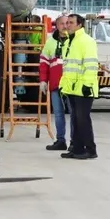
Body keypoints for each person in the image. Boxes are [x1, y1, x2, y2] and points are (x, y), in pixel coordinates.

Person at [59, 13, 99, 160]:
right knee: (75, 120)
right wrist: (63, 85)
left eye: (71, 23)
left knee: (83, 120)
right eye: (66, 23)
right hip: (72, 88)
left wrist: (87, 85)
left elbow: (91, 65)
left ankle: (90, 150)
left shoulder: (87, 41)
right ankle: (77, 149)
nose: (67, 25)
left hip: (83, 88)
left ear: (79, 25)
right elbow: (68, 67)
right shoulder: (69, 41)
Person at [39, 15, 72, 151]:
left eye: (67, 23)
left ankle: (74, 142)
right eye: (62, 23)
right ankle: (60, 140)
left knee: (74, 114)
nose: (65, 26)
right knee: (58, 114)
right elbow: (44, 63)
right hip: (55, 84)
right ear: (57, 26)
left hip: (71, 84)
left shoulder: (74, 40)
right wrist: (43, 81)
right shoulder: (50, 43)